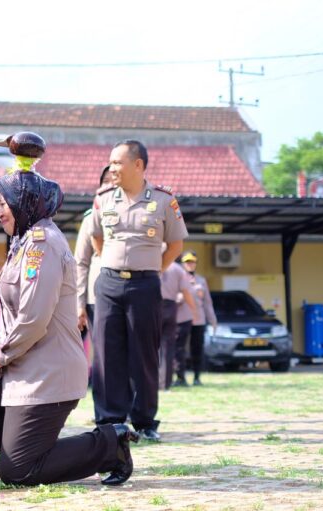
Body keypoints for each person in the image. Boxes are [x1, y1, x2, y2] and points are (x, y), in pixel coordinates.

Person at [0, 170, 139, 486]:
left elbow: (34, 318)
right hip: (21, 366)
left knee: (18, 472)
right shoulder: (23, 241)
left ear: (25, 202)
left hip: (47, 372)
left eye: (4, 203)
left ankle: (109, 445)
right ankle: (26, 448)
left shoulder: (42, 243)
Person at [91, 139, 189, 442]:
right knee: (106, 353)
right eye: (110, 162)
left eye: (118, 162)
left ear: (138, 165)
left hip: (145, 284)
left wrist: (152, 269)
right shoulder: (104, 198)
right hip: (108, 283)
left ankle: (145, 420)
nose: (112, 168)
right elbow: (97, 239)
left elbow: (175, 245)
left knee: (144, 353)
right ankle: (109, 421)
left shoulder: (163, 200)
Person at [75, 164, 112, 424]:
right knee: (103, 358)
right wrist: (78, 303)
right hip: (97, 299)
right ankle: (105, 413)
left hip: (130, 295)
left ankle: (130, 408)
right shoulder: (91, 217)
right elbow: (81, 262)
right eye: (107, 182)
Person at [174, 251, 217, 386]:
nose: (190, 265)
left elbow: (207, 303)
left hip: (198, 320)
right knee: (179, 349)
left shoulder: (201, 280)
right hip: (181, 319)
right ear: (182, 264)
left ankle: (197, 377)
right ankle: (180, 377)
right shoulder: (178, 279)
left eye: (192, 262)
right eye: (187, 262)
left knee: (197, 349)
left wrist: (213, 320)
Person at [159, 256, 196, 390]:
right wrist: (194, 311)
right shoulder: (177, 269)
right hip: (169, 306)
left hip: (151, 305)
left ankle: (151, 381)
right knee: (168, 347)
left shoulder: (149, 264)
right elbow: (186, 292)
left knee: (150, 347)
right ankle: (165, 384)